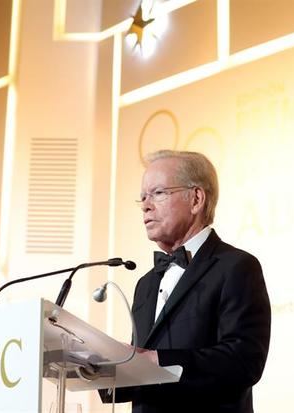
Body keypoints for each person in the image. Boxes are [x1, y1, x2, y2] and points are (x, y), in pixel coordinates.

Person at [102, 150, 271, 413]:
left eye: (158, 193)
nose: (146, 205)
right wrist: (103, 368)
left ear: (196, 199)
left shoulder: (236, 267)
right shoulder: (145, 284)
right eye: (143, 197)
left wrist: (156, 360)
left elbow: (243, 361)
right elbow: (141, 375)